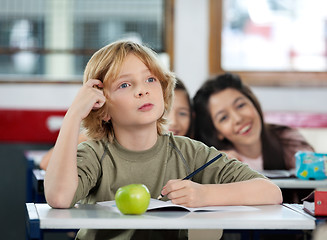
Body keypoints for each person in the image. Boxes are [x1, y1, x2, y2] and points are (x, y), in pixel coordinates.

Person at [44, 40, 282, 240]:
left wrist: (204, 195)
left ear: (163, 91)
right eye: (125, 84)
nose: (142, 90)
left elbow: (270, 192)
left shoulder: (190, 152)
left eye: (150, 80)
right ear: (102, 109)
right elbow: (58, 198)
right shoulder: (95, 153)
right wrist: (73, 115)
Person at [39, 78, 193, 170]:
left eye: (182, 113)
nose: (173, 121)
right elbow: (47, 164)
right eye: (165, 112)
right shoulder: (96, 142)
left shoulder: (190, 150)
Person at [193, 73, 314, 172]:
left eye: (240, 105)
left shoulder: (289, 140)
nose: (238, 119)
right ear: (217, 132)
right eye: (224, 118)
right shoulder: (219, 160)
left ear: (254, 104)